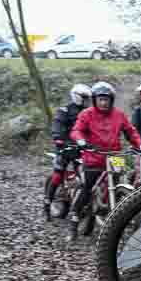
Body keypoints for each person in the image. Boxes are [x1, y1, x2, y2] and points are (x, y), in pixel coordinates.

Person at [68, 81, 141, 241]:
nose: (103, 102)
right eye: (100, 99)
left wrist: (140, 145)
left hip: (115, 156)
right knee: (87, 187)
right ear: (95, 100)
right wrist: (81, 141)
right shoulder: (86, 114)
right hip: (93, 157)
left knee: (122, 181)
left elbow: (131, 132)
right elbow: (76, 130)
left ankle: (114, 212)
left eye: (106, 99)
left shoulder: (119, 115)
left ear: (111, 100)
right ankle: (74, 221)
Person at [44, 84, 91, 221]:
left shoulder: (89, 112)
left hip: (82, 148)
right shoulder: (64, 110)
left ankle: (80, 204)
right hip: (65, 148)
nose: (87, 100)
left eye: (88, 98)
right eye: (84, 98)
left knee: (85, 176)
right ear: (76, 96)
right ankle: (47, 203)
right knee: (58, 175)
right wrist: (58, 138)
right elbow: (57, 124)